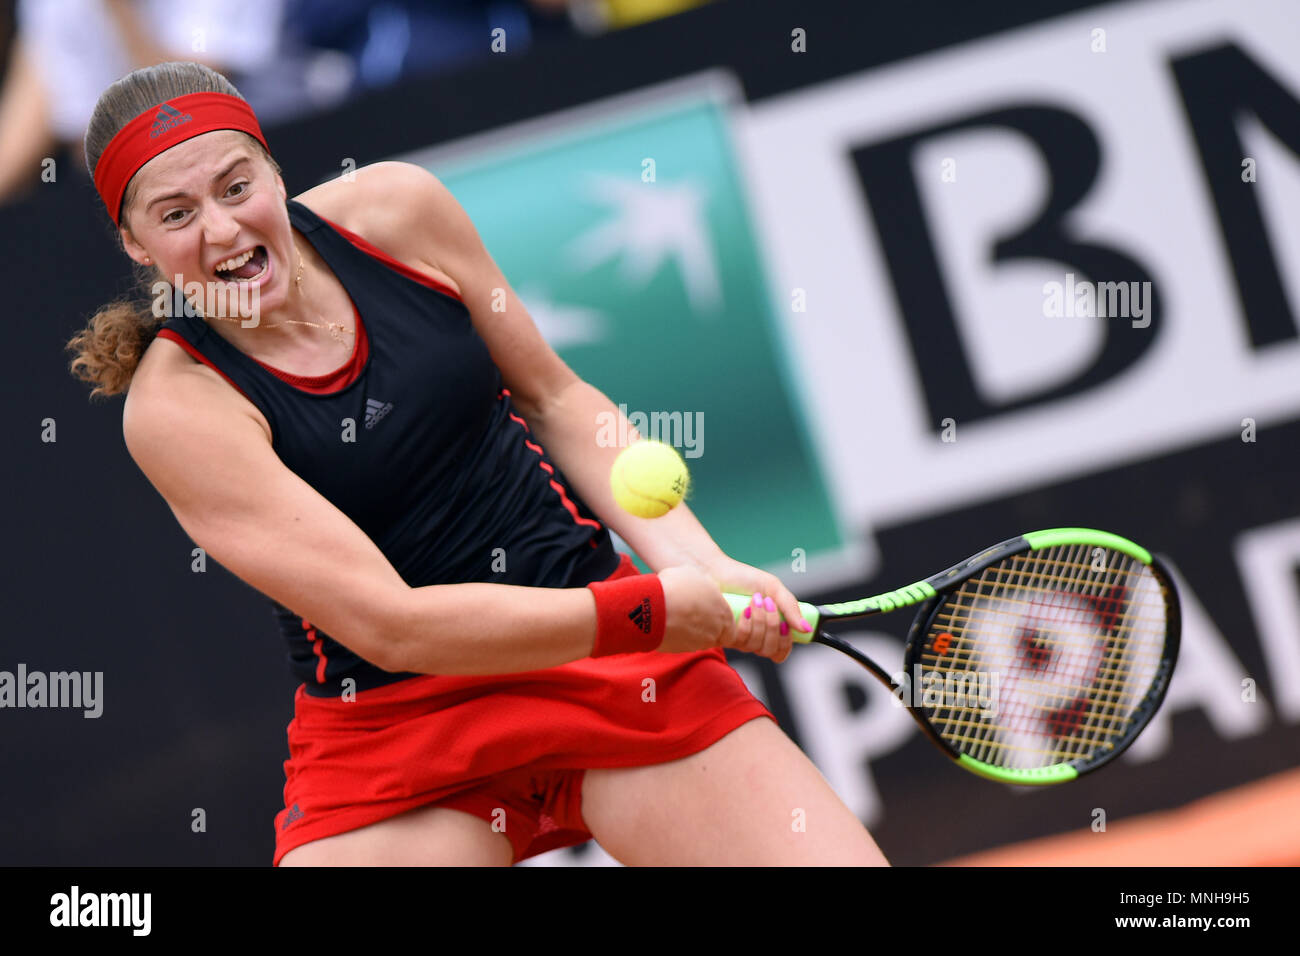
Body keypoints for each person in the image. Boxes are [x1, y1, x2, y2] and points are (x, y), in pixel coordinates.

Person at [66, 60, 890, 867]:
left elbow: (557, 400)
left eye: (236, 186)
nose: (221, 229)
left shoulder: (396, 211)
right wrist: (651, 610)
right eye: (175, 216)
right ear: (134, 244)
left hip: (605, 657)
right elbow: (394, 626)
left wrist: (700, 563)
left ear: (275, 174)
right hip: (399, 725)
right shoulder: (177, 409)